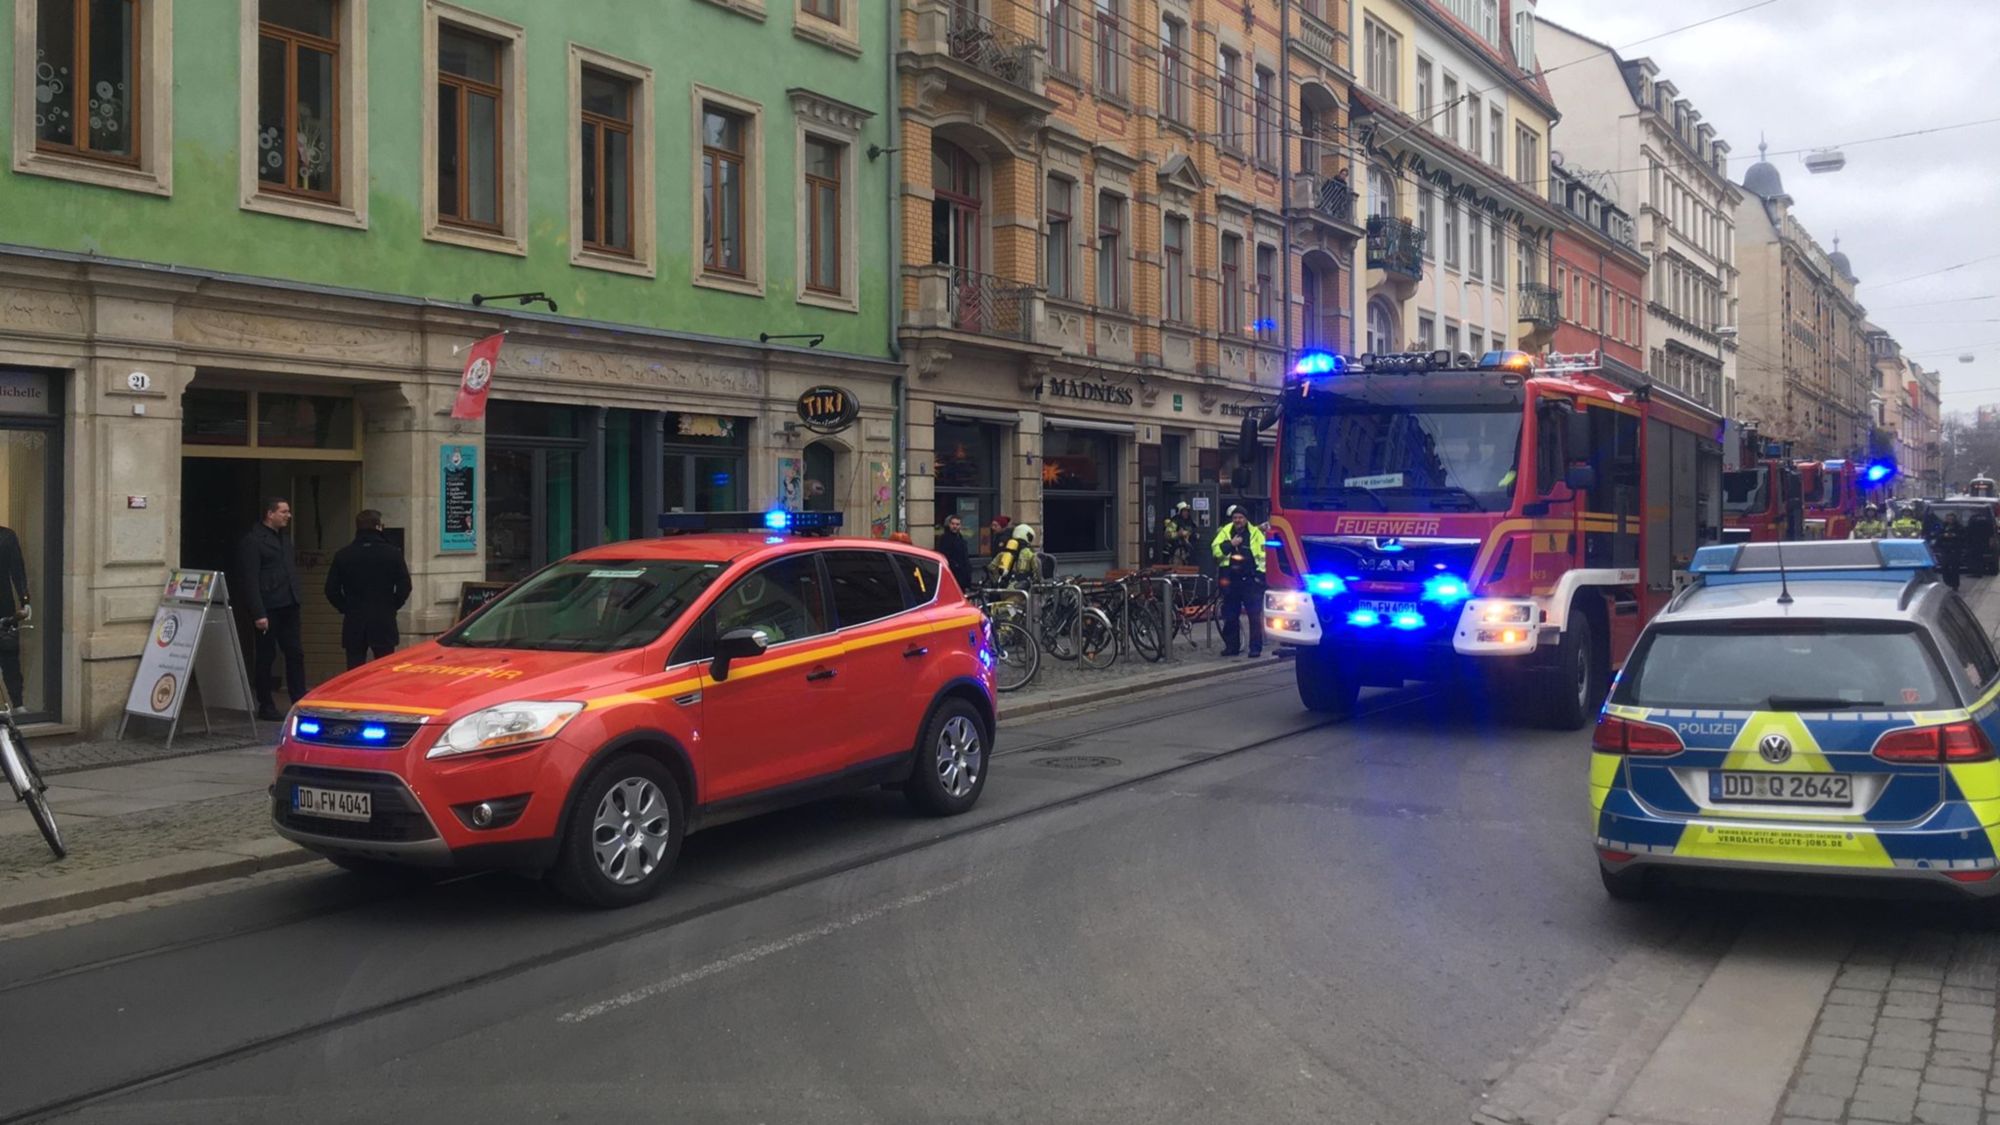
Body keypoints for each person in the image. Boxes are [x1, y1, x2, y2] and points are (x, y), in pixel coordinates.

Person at [237, 496, 305, 722]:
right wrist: (258, 613)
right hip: (269, 606)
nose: (288, 515)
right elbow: (250, 579)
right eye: (284, 512)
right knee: (266, 657)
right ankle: (265, 703)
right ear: (270, 514)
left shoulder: (284, 539)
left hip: (289, 603)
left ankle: (299, 699)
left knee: (295, 653)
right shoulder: (254, 541)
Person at [324, 510, 413, 671]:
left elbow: (331, 590)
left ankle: (354, 695)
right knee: (385, 667)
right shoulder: (392, 553)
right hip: (383, 617)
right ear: (379, 527)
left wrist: (345, 607)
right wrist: (392, 605)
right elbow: (405, 586)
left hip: (355, 618)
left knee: (354, 668)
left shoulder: (343, 555)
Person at [1211, 507, 1267, 658]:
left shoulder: (1255, 533)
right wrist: (1231, 543)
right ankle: (1232, 647)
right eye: (1235, 517)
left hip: (1250, 581)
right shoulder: (1225, 532)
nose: (1237, 520)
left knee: (1254, 616)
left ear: (1246, 519)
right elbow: (1215, 550)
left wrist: (1259, 578)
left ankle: (1255, 648)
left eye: (1240, 517)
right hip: (1231, 580)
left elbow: (1263, 556)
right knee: (1230, 615)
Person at [0, 522, 30, 709]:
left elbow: (18, 571)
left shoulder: (6, 536)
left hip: (3, 607)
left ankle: (18, 704)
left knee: (9, 656)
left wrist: (25, 600)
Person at [986, 523, 1039, 589]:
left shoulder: (1003, 553)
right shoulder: (1030, 554)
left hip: (1003, 589)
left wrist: (998, 579)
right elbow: (1037, 572)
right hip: (1020, 591)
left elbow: (991, 568)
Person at [935, 514, 973, 591]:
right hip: (952, 574)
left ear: (960, 526)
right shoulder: (945, 539)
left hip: (962, 576)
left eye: (957, 524)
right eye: (952, 524)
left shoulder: (961, 539)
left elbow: (965, 558)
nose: (955, 526)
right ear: (949, 524)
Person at [1934, 512, 1966, 591]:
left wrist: (1954, 536)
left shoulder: (1959, 527)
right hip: (1945, 549)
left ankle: (1955, 585)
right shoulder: (1943, 526)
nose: (1950, 520)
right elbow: (1938, 536)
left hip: (1955, 550)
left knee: (1955, 568)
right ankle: (1948, 581)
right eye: (1948, 519)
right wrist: (1943, 536)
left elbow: (1963, 537)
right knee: (1944, 567)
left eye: (1952, 519)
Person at [1161, 501, 1198, 566]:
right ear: (1179, 512)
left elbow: (1194, 531)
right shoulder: (1174, 522)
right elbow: (1167, 535)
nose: (1186, 513)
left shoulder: (1190, 521)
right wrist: (1178, 534)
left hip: (1189, 550)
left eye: (1187, 511)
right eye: (1184, 511)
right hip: (1177, 551)